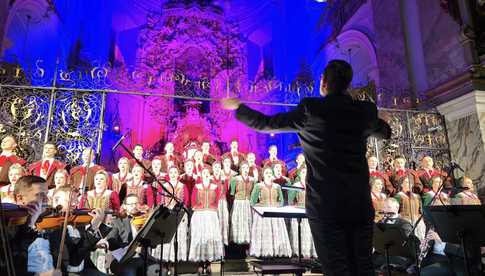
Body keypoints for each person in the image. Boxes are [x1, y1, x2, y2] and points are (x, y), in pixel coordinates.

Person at [222, 59, 392, 276]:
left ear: (324, 82)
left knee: (336, 267)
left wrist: (238, 107)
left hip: (326, 203)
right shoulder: (364, 111)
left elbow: (266, 124)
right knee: (363, 266)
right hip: (358, 202)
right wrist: (382, 121)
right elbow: (385, 132)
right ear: (347, 84)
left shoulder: (311, 110)